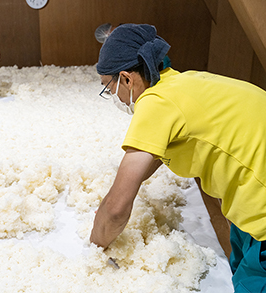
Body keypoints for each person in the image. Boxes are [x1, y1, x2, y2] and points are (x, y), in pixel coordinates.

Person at [89, 23, 266, 292]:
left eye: (108, 87)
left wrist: (94, 246)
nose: (112, 96)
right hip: (250, 194)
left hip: (261, 206)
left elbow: (116, 209)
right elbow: (156, 153)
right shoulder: (184, 81)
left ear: (126, 79)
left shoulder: (156, 102)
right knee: (241, 260)